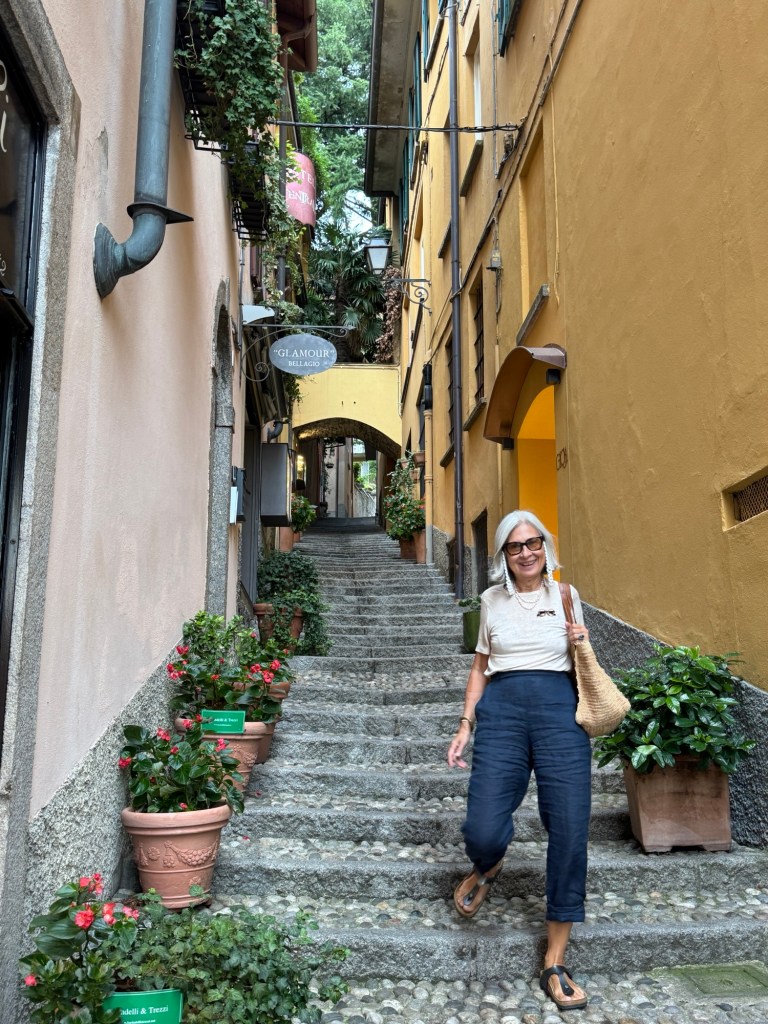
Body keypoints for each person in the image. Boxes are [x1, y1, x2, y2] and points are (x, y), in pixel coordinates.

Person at [447, 510, 592, 1012]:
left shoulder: (566, 596)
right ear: (503, 556)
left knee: (570, 828)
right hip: (503, 712)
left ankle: (555, 959)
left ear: (545, 547)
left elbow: (583, 664)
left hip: (559, 713)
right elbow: (480, 667)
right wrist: (465, 724)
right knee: (482, 827)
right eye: (515, 546)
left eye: (533, 543)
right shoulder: (491, 601)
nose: (526, 552)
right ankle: (489, 863)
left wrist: (581, 644)